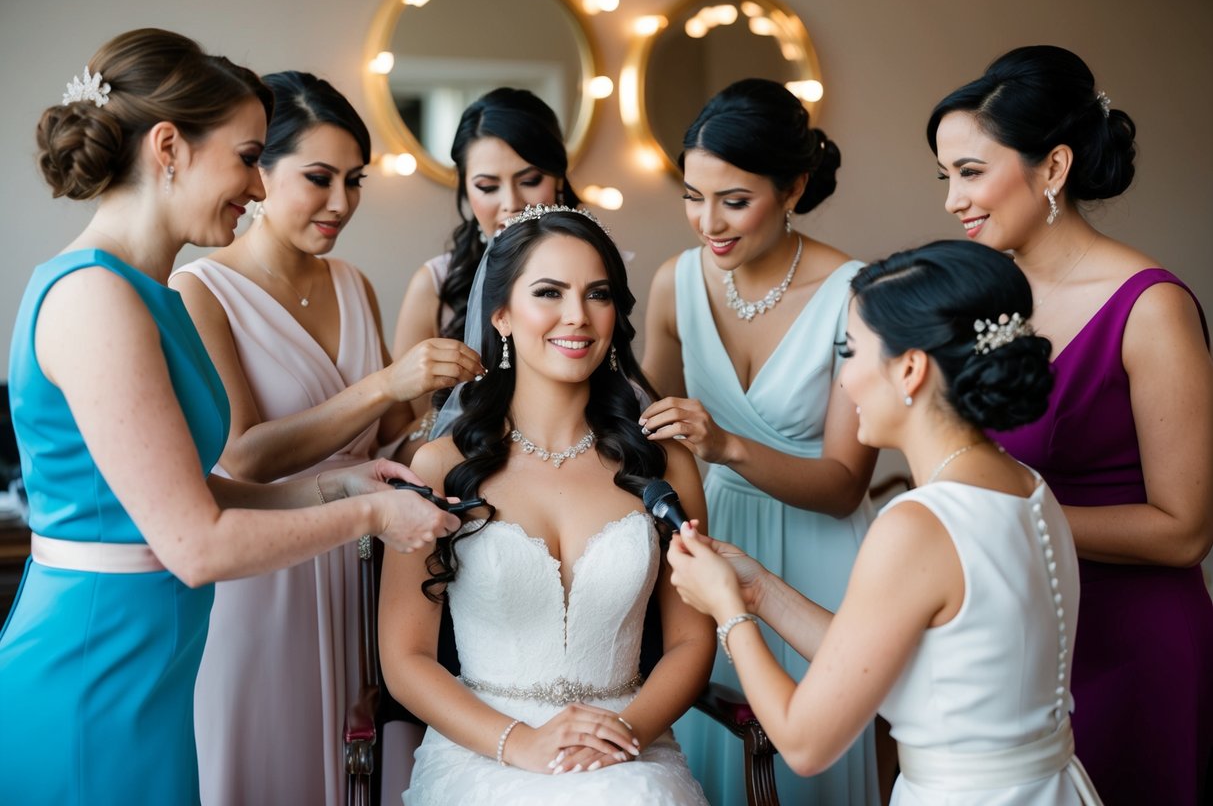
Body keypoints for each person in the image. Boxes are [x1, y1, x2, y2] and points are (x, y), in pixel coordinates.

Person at [0, 29, 459, 805]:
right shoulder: (93, 298)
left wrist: (347, 485)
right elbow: (196, 544)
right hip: (94, 667)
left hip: (157, 663)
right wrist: (372, 514)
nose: (256, 186)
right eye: (249, 157)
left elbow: (202, 490)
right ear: (170, 146)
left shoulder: (154, 294)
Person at [669, 240, 1103, 804]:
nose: (843, 380)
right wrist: (756, 589)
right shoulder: (1025, 488)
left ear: (910, 369)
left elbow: (804, 743)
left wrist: (725, 611)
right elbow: (896, 660)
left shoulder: (919, 525)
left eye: (849, 353)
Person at [168, 71, 482, 805]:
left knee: (368, 763)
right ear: (259, 172)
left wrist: (444, 411)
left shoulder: (352, 283)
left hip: (363, 566)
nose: (341, 203)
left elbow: (382, 442)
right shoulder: (199, 290)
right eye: (318, 178)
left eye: (353, 180)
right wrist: (385, 383)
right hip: (265, 571)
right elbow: (241, 453)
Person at [929, 45, 1213, 805]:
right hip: (1021, 637)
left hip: (1129, 646)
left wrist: (1002, 512)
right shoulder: (989, 296)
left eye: (969, 171)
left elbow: (1184, 530)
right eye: (944, 176)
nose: (952, 199)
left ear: (1051, 169)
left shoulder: (1150, 307)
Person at [379, 204, 715, 804]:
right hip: (484, 746)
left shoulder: (663, 463)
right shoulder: (441, 467)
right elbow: (405, 658)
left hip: (626, 745)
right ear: (502, 314)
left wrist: (626, 732)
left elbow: (692, 640)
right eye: (549, 293)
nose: (576, 316)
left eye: (597, 294)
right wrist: (519, 742)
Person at [640, 77, 879, 804]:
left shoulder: (857, 293)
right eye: (691, 195)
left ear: (794, 187)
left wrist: (726, 447)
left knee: (809, 758)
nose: (706, 222)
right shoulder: (672, 283)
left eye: (733, 201)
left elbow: (844, 481)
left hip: (819, 557)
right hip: (708, 545)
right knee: (711, 749)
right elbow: (640, 430)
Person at [390, 88, 579, 458]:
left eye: (529, 180)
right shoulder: (435, 284)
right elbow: (402, 432)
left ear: (558, 178)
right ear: (465, 190)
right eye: (487, 187)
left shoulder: (594, 277)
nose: (511, 203)